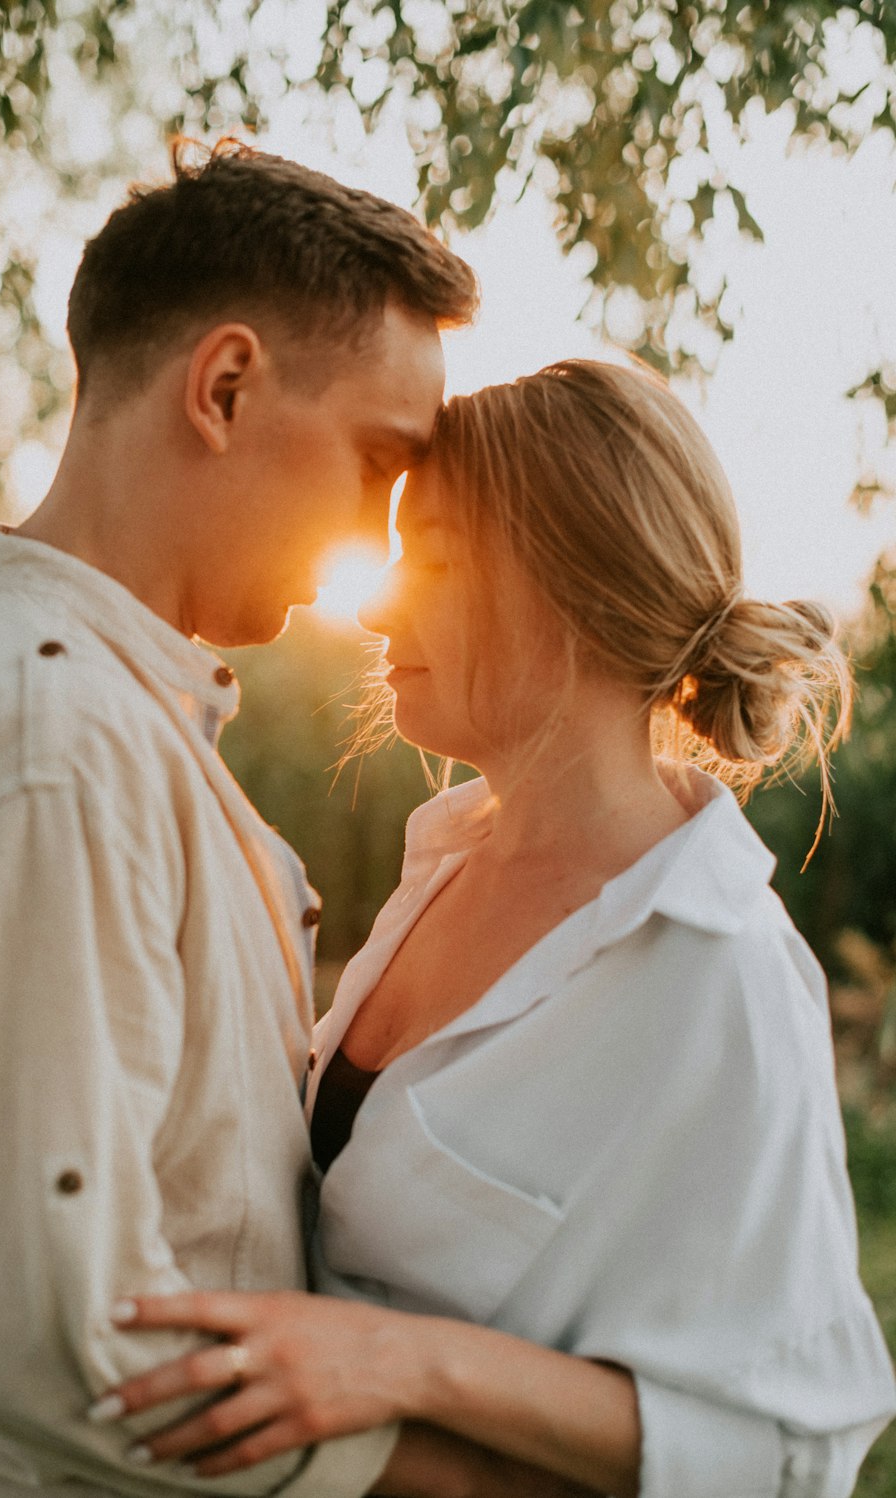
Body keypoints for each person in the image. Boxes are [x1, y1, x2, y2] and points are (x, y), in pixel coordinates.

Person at [86, 360, 896, 1496]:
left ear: (577, 585)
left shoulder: (723, 977)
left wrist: (408, 1362)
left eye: (434, 560)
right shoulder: (449, 856)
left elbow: (790, 1448)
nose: (374, 604)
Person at [0, 139, 564, 1498]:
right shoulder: (61, 748)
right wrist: (471, 1478)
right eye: (380, 458)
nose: (379, 534)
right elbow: (48, 1335)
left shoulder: (100, 711)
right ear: (226, 385)